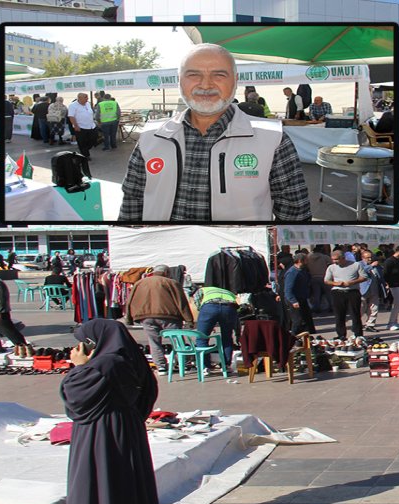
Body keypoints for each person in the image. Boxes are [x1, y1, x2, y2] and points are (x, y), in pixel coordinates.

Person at [120, 44, 311, 222]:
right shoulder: (151, 137)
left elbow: (295, 214)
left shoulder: (273, 139)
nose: (205, 85)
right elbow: (132, 203)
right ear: (179, 81)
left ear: (235, 81)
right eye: (193, 75)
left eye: (219, 75)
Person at [60, 319, 161, 504]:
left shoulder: (103, 365)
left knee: (99, 479)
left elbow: (75, 398)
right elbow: (148, 392)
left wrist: (79, 367)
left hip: (100, 430)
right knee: (123, 478)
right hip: (126, 426)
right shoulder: (128, 359)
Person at [126, 265, 194, 375]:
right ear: (166, 272)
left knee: (154, 342)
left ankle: (161, 367)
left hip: (146, 317)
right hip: (169, 316)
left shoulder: (140, 283)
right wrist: (189, 320)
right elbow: (181, 302)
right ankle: (183, 365)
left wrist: (128, 319)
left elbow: (129, 301)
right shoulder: (171, 283)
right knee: (177, 341)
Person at [194, 285, 239, 371]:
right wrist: (237, 333)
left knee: (202, 338)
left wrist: (207, 322)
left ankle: (205, 366)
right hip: (229, 308)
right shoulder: (229, 292)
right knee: (227, 337)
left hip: (209, 307)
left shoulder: (202, 289)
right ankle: (226, 365)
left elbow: (197, 302)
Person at [325, 250, 366, 340]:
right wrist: (336, 283)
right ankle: (341, 335)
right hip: (337, 292)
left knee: (355, 314)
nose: (334, 262)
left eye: (336, 259)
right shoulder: (331, 267)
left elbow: (364, 277)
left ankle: (358, 334)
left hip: (352, 291)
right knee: (339, 315)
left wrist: (352, 282)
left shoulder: (355, 265)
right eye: (333, 260)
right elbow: (327, 280)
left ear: (343, 258)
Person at [282, 252, 315, 335]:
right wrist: (293, 301)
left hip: (302, 297)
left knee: (307, 317)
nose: (307, 262)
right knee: (297, 319)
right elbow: (288, 289)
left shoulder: (303, 270)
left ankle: (308, 334)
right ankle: (293, 336)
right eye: (306, 260)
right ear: (300, 261)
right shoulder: (292, 273)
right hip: (295, 299)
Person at [359, 250, 385, 331]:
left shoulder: (376, 265)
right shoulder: (359, 264)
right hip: (363, 289)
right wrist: (371, 266)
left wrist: (384, 284)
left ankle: (370, 324)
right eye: (367, 258)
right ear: (363, 258)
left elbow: (380, 275)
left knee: (374, 308)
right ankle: (357, 324)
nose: (370, 259)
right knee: (361, 308)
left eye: (371, 257)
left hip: (374, 289)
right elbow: (362, 272)